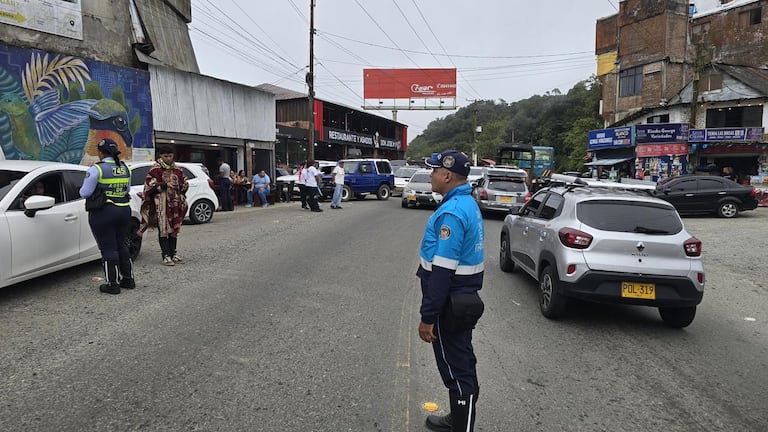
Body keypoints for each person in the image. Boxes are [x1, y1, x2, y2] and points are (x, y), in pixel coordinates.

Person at [417, 150, 485, 432]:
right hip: (462, 299)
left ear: (447, 175)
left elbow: (442, 271)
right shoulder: (466, 203)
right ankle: (457, 420)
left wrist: (428, 316)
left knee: (457, 373)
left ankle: (461, 426)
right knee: (463, 364)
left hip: (449, 303)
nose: (431, 175)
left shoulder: (452, 212)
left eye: (433, 171)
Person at [79, 139, 134, 294]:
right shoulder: (125, 168)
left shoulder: (97, 169)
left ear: (100, 152)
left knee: (108, 248)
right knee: (122, 245)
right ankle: (128, 280)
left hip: (104, 212)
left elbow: (84, 193)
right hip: (124, 210)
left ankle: (112, 284)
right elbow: (127, 189)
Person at [139, 145, 189, 266]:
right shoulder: (155, 169)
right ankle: (165, 255)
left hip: (175, 203)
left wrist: (184, 186)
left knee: (175, 228)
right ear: (160, 156)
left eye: (170, 156)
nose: (168, 158)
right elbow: (148, 186)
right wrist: (164, 185)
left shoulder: (178, 169)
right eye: (165, 156)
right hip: (161, 204)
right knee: (164, 228)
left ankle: (173, 253)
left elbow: (183, 183)